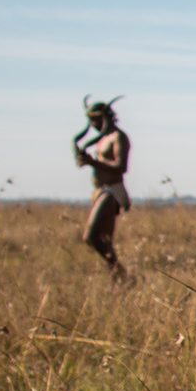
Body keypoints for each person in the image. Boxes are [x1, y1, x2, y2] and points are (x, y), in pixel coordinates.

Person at [75, 96, 131, 280]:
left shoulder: (118, 137)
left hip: (112, 191)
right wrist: (86, 162)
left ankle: (120, 272)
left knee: (91, 236)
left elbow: (121, 167)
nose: (92, 124)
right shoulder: (101, 140)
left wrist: (94, 163)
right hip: (100, 191)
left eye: (95, 120)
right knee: (105, 241)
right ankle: (118, 279)